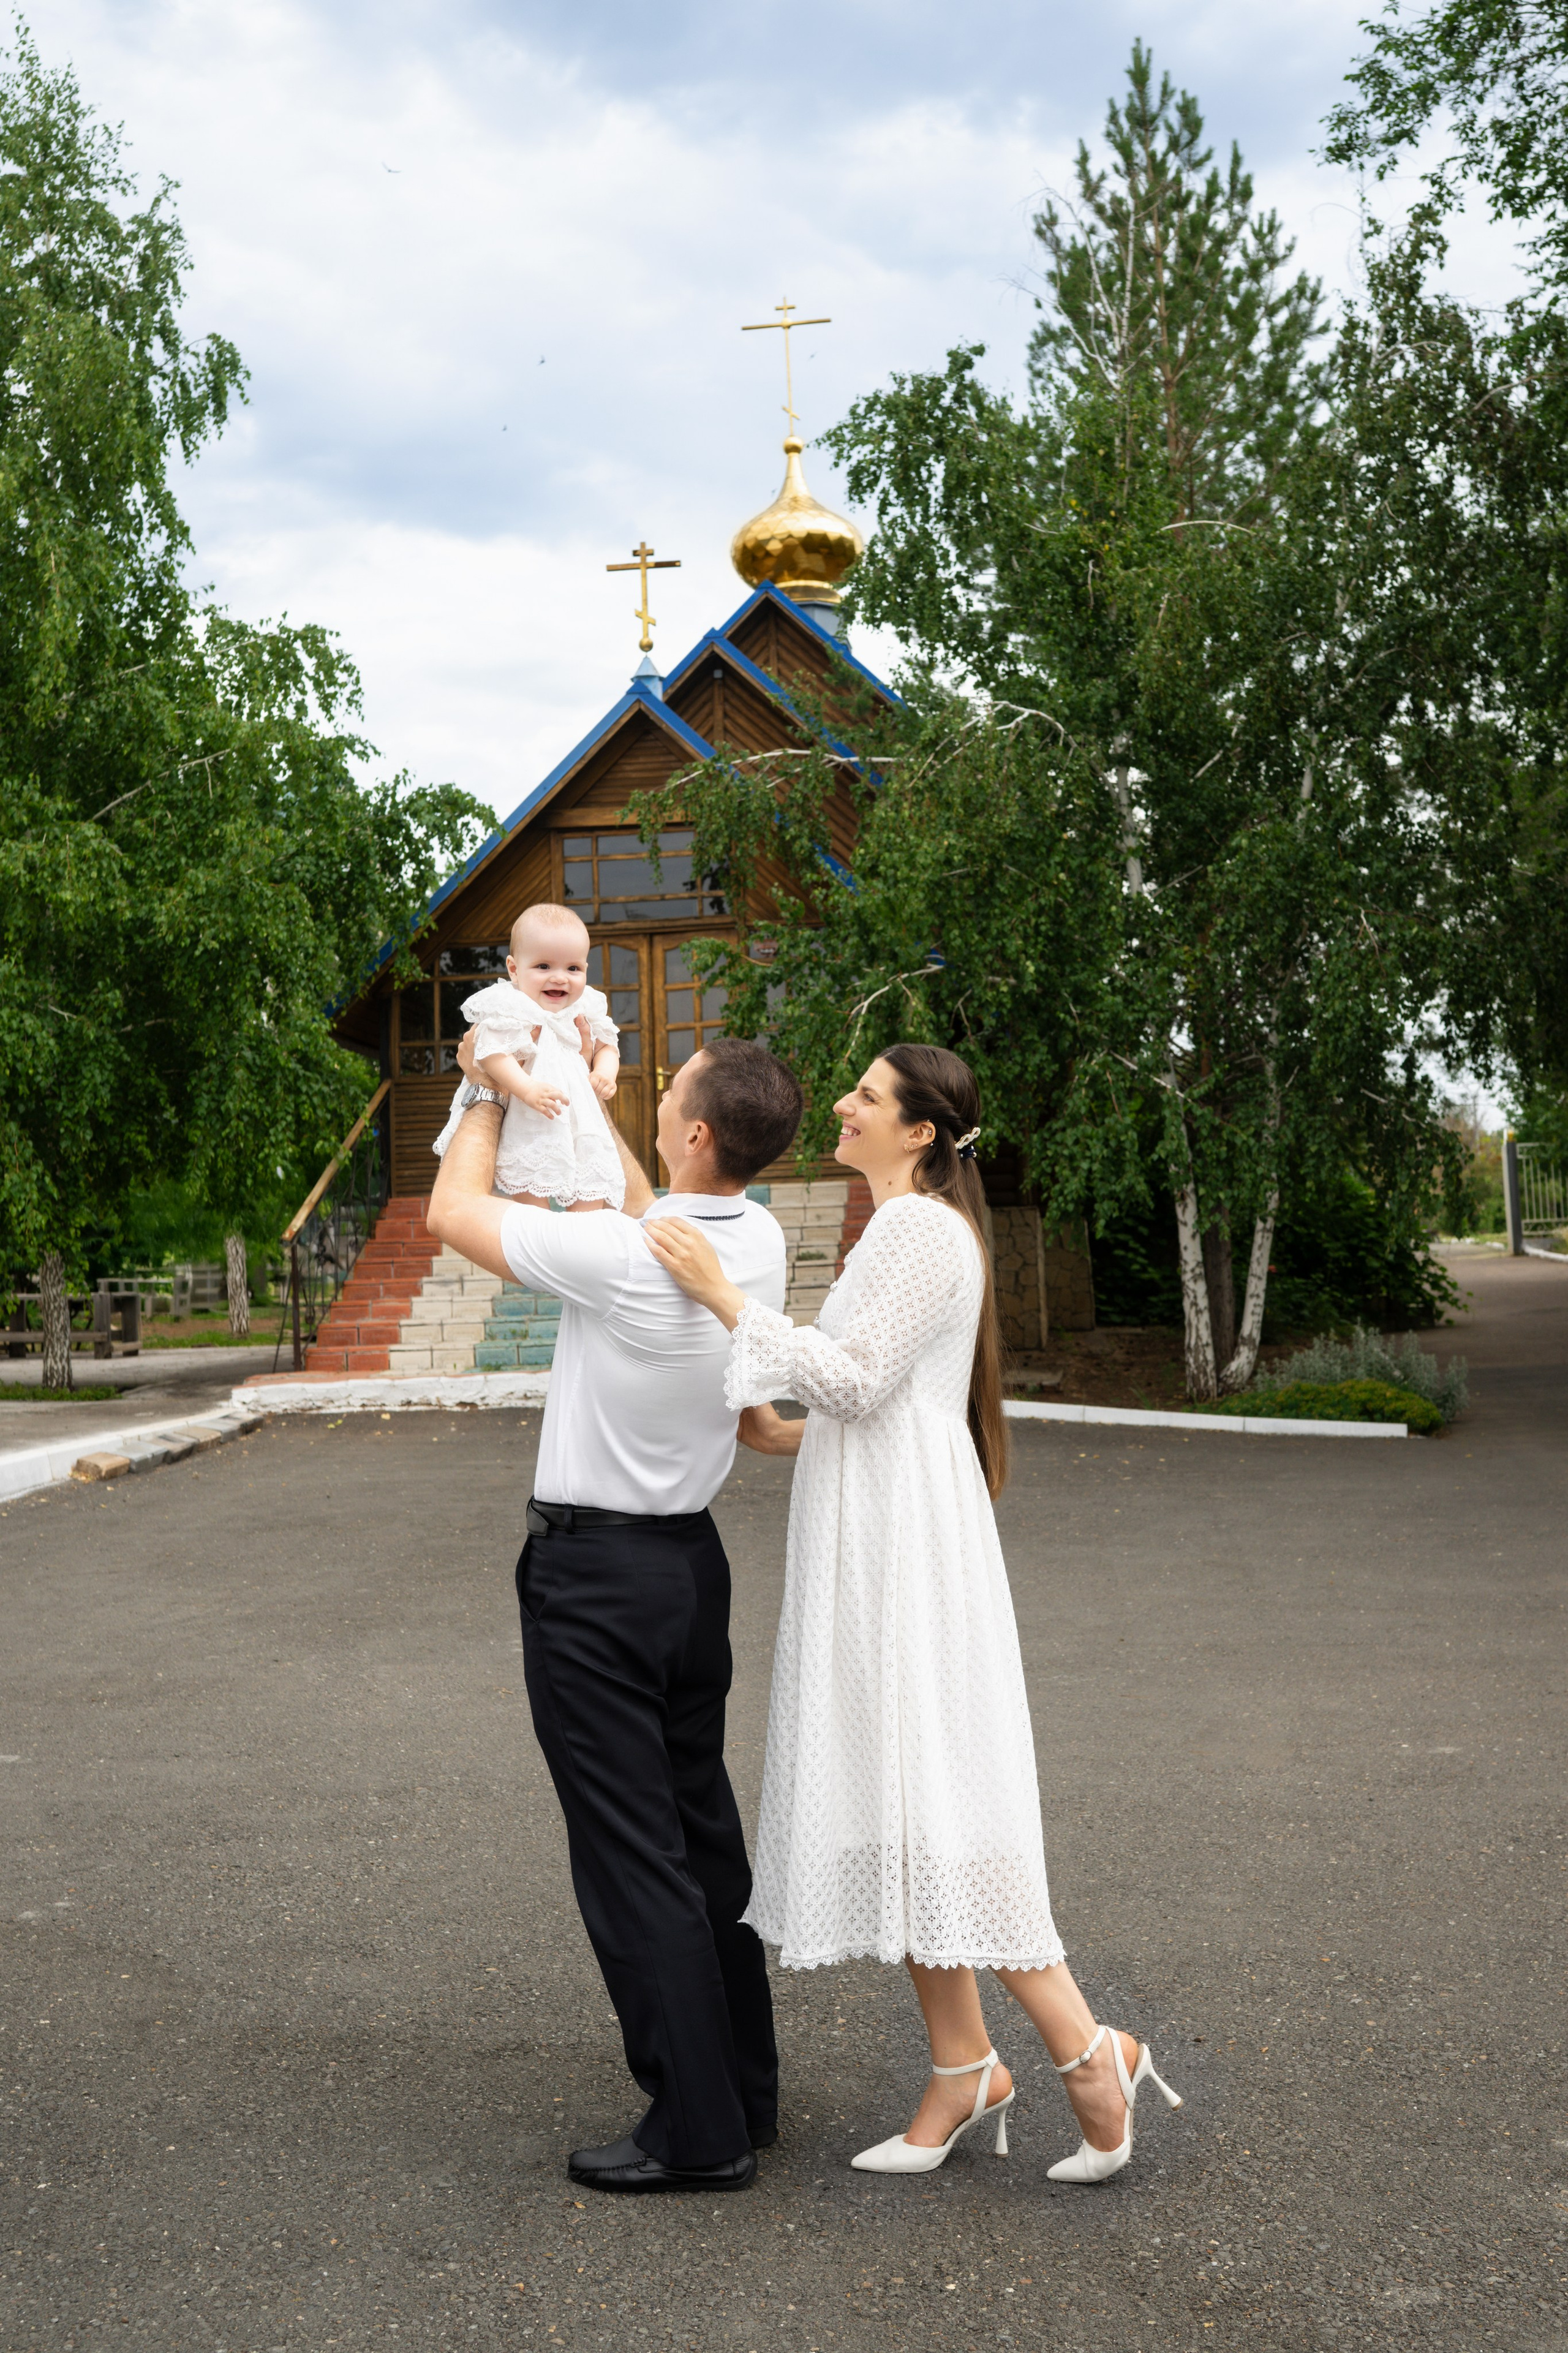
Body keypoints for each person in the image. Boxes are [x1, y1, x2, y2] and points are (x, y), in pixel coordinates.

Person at [644, 1041, 1182, 2183]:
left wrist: (724, 1298)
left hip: (904, 1553)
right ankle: (961, 2066)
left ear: (922, 1130)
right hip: (884, 1525)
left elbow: (849, 1379)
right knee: (899, 1800)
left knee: (942, 1794)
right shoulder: (900, 1228)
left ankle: (1092, 2050)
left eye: (867, 1096)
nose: (841, 1105)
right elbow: (871, 1397)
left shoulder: (917, 1229)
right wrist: (780, 1431)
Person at [426, 1033, 804, 2194]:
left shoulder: (621, 1254)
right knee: (700, 1841)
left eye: (672, 1088)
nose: (655, 1093)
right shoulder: (758, 1241)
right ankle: (741, 2087)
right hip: (691, 1570)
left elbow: (452, 1211)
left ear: (695, 1132)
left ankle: (699, 2129)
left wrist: (484, 1087)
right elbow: (659, 1213)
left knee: (631, 1857)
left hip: (598, 1584)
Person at [431, 902, 622, 1208]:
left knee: (591, 1185)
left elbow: (608, 1046)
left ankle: (586, 1234)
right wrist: (527, 1087)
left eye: (573, 968)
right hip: (527, 1110)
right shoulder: (512, 1006)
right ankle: (536, 1231)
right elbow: (491, 1054)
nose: (560, 978)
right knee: (530, 1193)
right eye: (544, 967)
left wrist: (604, 1072)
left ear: (586, 969)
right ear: (514, 969)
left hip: (577, 1113)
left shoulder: (585, 1006)